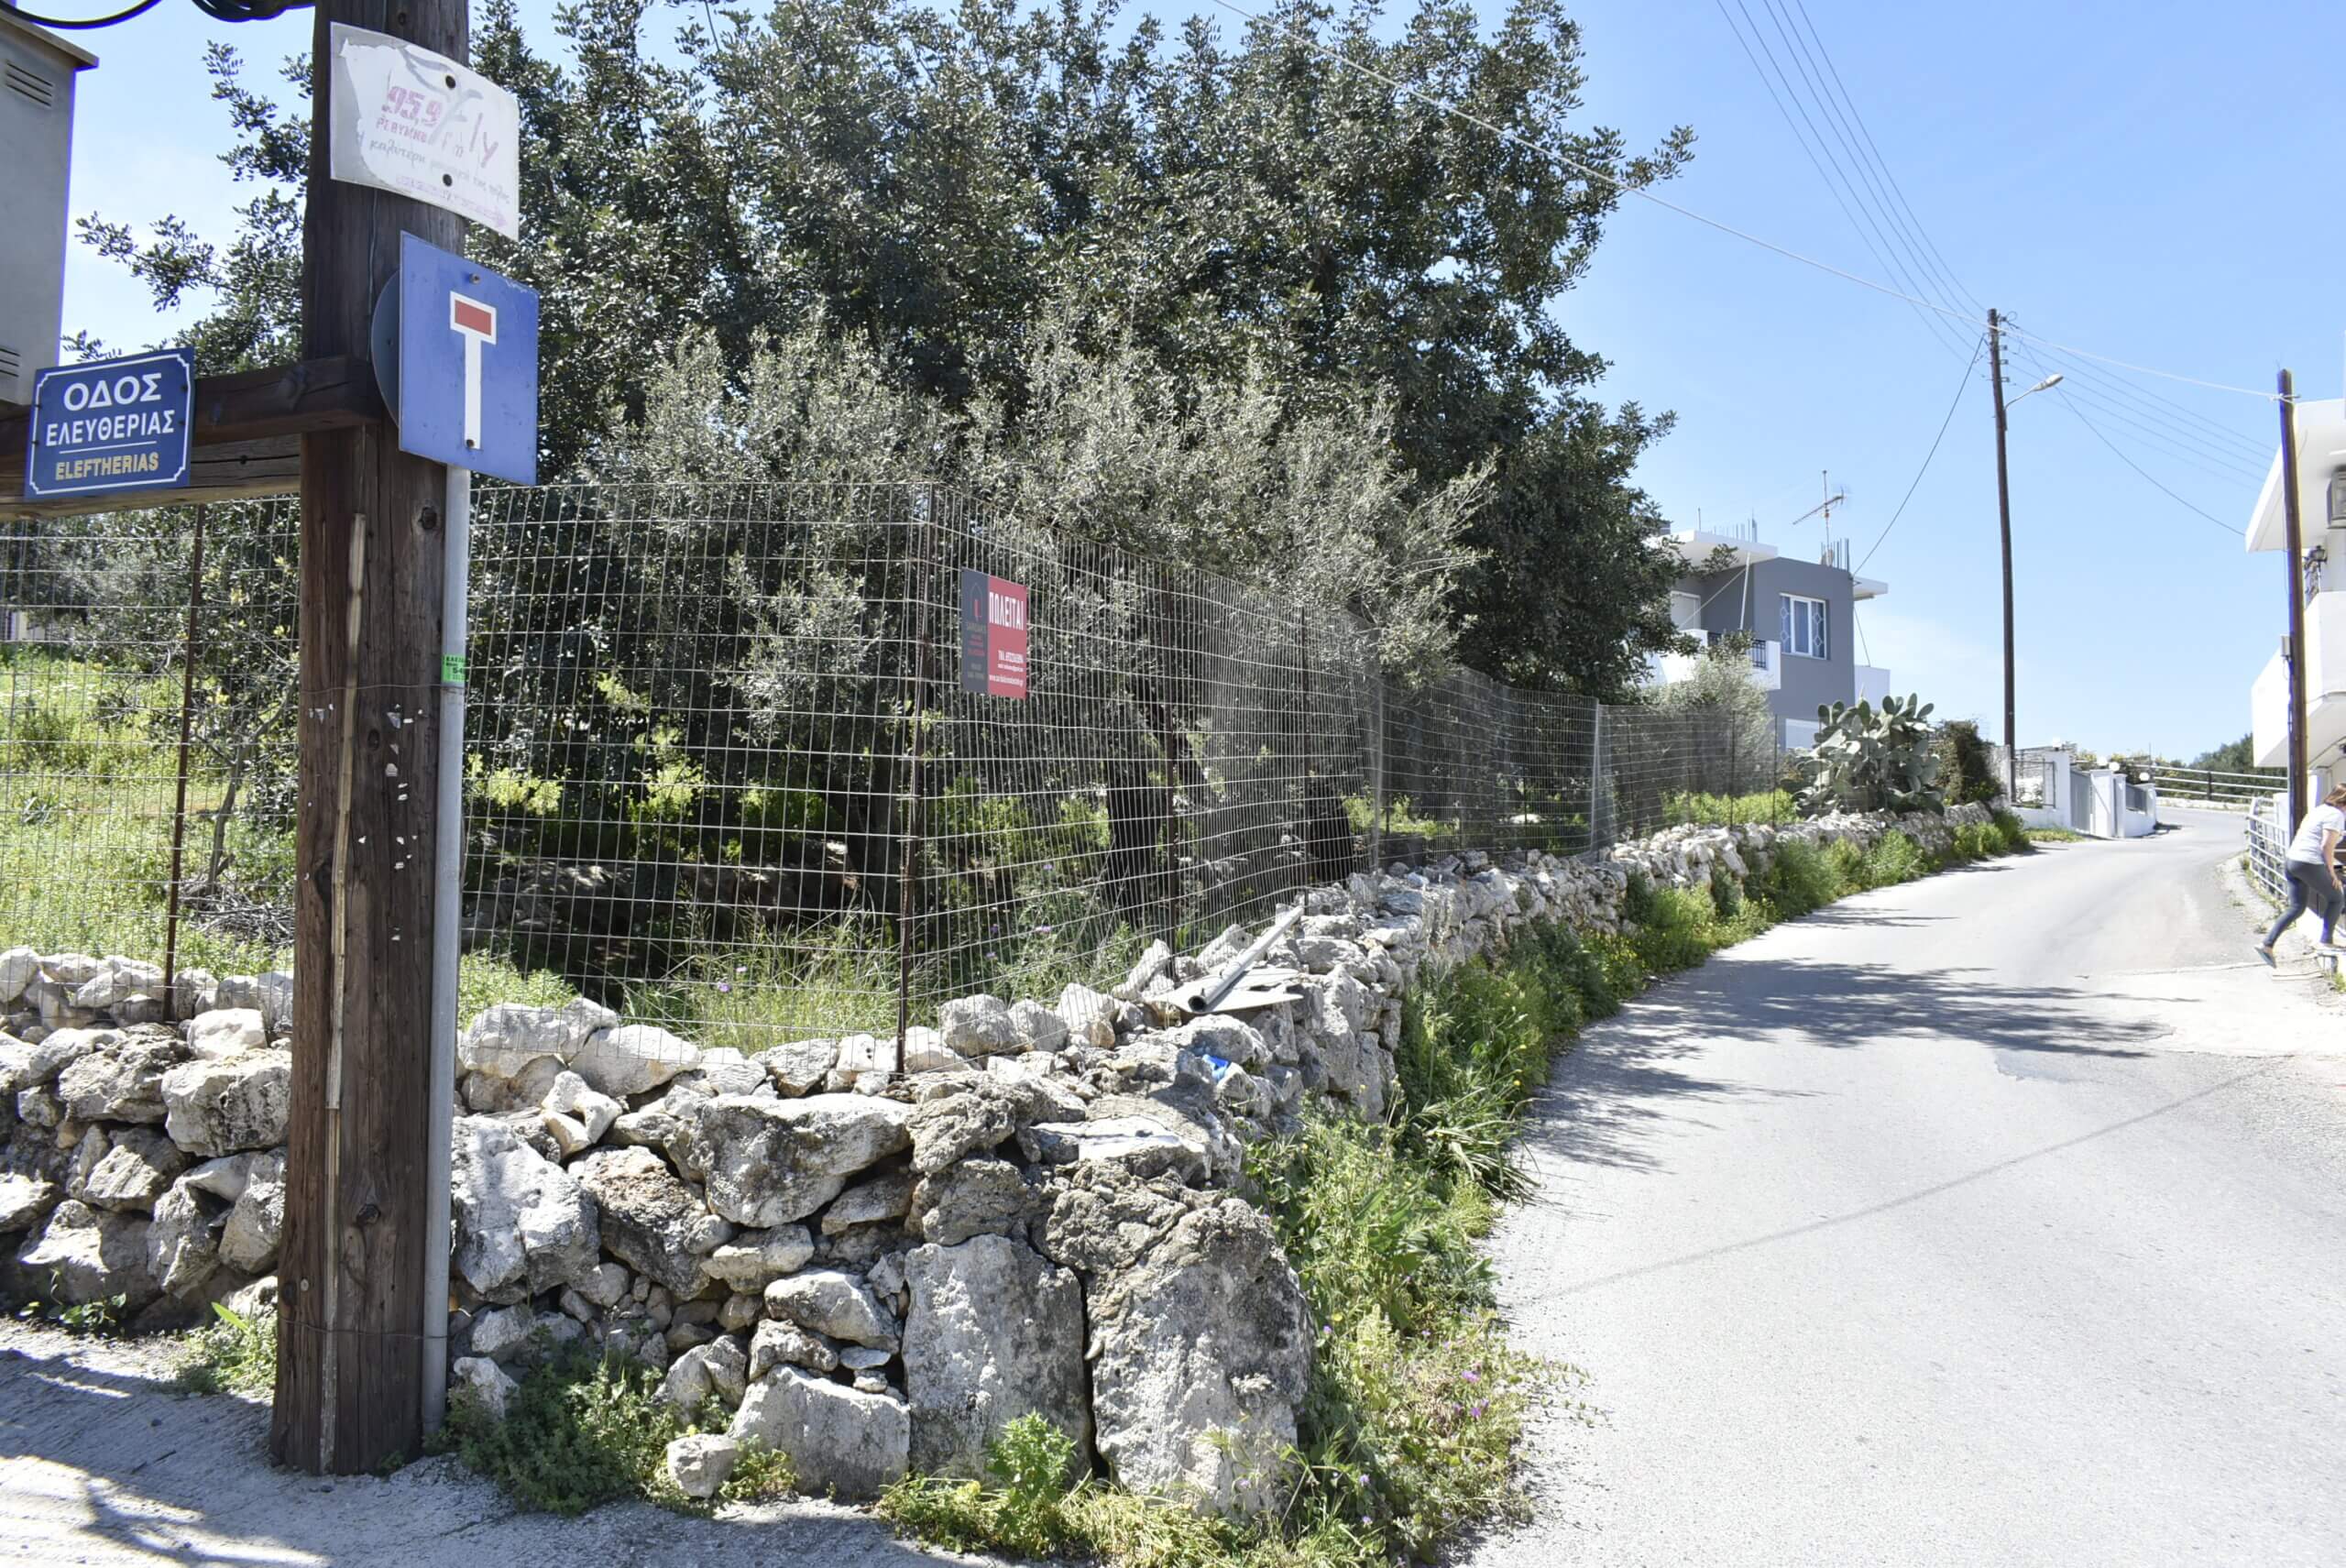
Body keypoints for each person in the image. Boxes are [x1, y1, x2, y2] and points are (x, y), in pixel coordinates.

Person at [2258, 784, 2346, 964]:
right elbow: (2326, 846)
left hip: (2292, 860)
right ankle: (2326, 941)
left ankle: (2267, 944)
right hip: (2308, 862)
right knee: (2337, 897)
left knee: (2297, 907)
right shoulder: (2336, 815)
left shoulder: (2319, 810)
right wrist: (2332, 874)